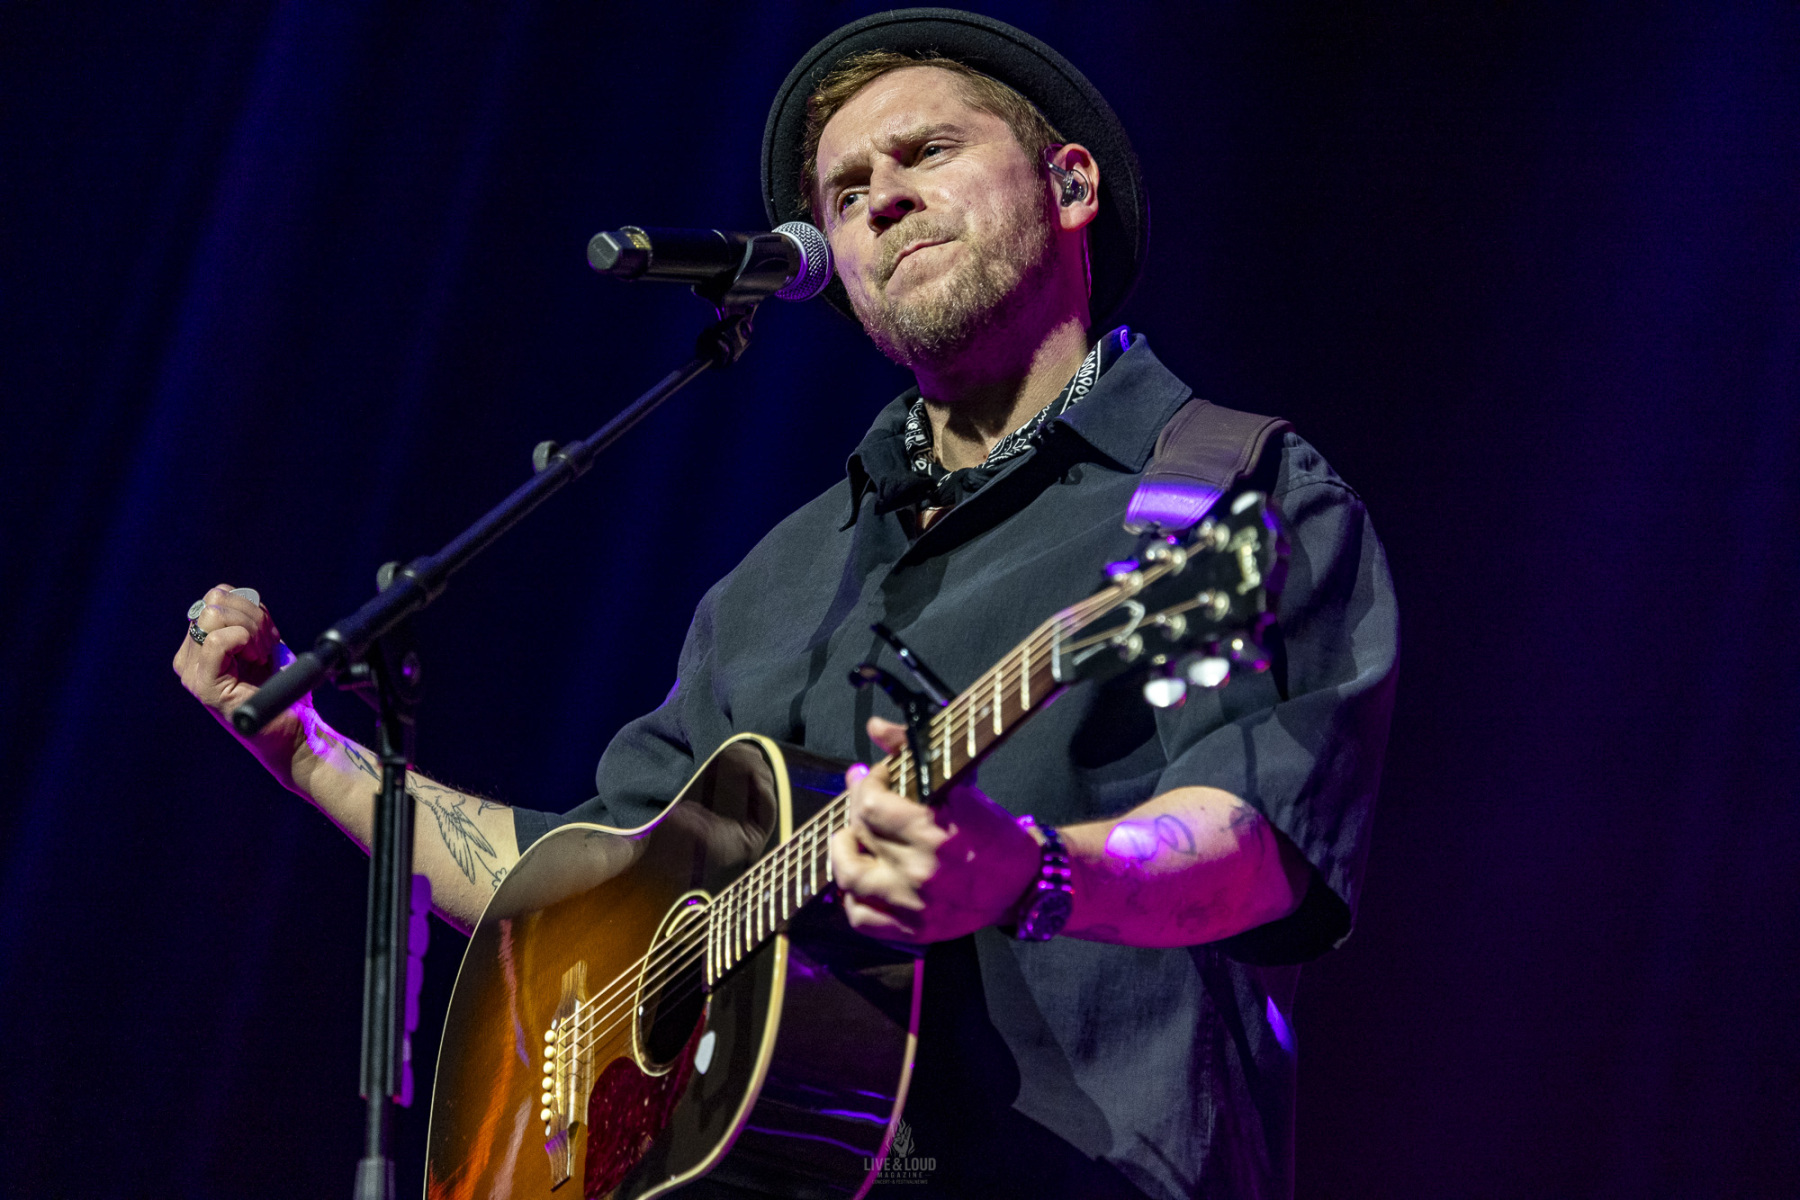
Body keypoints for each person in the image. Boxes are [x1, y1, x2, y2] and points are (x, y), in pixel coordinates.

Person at [175, 10, 1397, 1198]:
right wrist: (306, 749)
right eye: (844, 192)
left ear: (1069, 186)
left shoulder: (1227, 495)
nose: (882, 199)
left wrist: (1030, 874)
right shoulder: (782, 579)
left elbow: (1260, 846)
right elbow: (568, 907)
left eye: (926, 151)